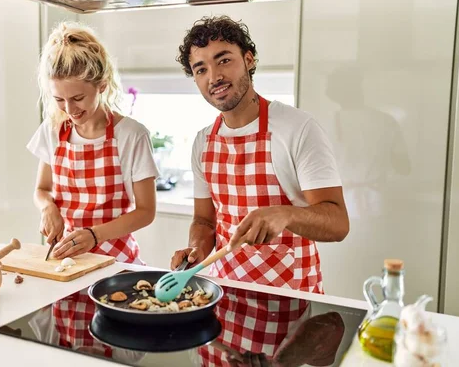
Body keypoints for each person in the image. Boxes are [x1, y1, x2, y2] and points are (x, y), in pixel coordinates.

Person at [170, 16, 349, 293]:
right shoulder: (203, 141)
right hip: (223, 295)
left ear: (249, 60)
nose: (214, 77)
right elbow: (205, 221)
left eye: (224, 60)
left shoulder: (297, 128)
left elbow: (338, 224)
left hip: (291, 299)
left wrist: (285, 215)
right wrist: (195, 251)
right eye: (201, 69)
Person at [27, 21, 159, 263]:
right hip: (67, 260)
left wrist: (94, 235)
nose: (69, 109)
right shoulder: (53, 129)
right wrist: (48, 207)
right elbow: (42, 189)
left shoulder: (131, 135)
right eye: (59, 99)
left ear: (102, 85)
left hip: (117, 263)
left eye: (78, 98)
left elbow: (146, 212)